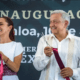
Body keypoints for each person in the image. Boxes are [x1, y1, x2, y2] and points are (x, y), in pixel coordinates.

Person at [33, 10, 80, 80]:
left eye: (55, 22)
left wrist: (73, 72)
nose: (51, 25)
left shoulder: (78, 42)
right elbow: (37, 66)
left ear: (65, 23)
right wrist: (45, 56)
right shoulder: (43, 39)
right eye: (50, 22)